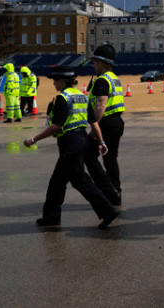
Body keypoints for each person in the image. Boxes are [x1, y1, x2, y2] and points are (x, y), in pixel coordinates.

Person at [23, 66, 119, 229]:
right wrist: (101, 142)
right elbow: (94, 123)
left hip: (70, 143)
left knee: (81, 181)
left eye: (55, 81)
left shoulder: (62, 98)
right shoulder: (82, 96)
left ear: (62, 81)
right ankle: (51, 216)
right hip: (82, 140)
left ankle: (107, 210)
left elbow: (56, 126)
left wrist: (33, 139)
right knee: (57, 182)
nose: (53, 84)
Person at [86, 44, 124, 206]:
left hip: (106, 123)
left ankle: (108, 189)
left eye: (94, 62)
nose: (93, 65)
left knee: (88, 155)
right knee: (110, 158)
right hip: (116, 122)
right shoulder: (114, 78)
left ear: (102, 63)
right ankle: (115, 191)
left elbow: (101, 105)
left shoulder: (102, 81)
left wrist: (95, 129)